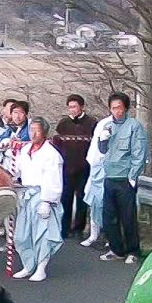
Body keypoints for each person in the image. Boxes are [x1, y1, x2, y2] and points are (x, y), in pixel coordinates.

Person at [10, 118, 63, 282]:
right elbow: (16, 170)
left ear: (44, 133)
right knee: (22, 234)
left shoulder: (51, 154)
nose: (33, 133)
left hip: (42, 195)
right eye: (31, 129)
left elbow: (54, 179)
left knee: (42, 234)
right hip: (26, 195)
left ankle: (41, 266)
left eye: (37, 130)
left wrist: (47, 201)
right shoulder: (25, 150)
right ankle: (28, 264)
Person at [99, 91, 148, 263]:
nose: (116, 111)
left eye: (119, 107)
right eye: (113, 108)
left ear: (126, 108)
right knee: (108, 217)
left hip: (125, 178)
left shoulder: (134, 126)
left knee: (128, 217)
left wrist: (133, 176)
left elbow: (139, 153)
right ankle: (116, 248)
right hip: (109, 176)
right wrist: (102, 140)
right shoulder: (108, 126)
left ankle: (133, 251)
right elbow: (102, 151)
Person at [55, 94, 96, 239]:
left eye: (74, 106)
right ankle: (64, 228)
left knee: (82, 199)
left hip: (84, 168)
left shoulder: (91, 123)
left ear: (81, 107)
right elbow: (57, 145)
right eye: (70, 107)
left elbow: (95, 146)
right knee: (65, 198)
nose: (72, 110)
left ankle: (78, 228)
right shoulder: (63, 124)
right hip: (67, 167)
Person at [80, 111, 113, 248]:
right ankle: (93, 234)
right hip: (96, 168)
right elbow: (95, 147)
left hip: (112, 169)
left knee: (109, 206)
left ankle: (110, 238)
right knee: (94, 203)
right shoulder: (103, 123)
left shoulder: (128, 126)